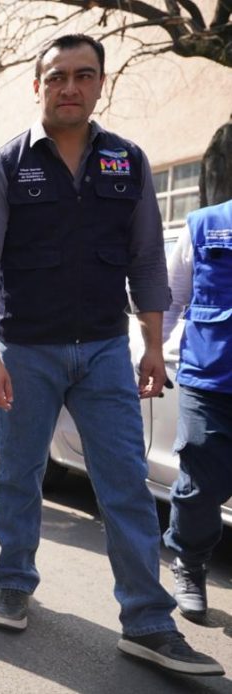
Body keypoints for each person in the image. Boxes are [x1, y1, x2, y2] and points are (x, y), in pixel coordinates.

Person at [0, 33, 222, 676]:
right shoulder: (4, 167)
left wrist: (154, 348)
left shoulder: (126, 162)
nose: (69, 87)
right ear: (38, 85)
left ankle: (148, 622)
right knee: (19, 476)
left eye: (83, 75)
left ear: (100, 83)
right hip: (26, 350)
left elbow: (147, 262)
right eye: (57, 77)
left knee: (127, 486)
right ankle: (15, 581)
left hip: (106, 350)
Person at [160, 193, 232, 622]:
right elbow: (171, 298)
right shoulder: (205, 224)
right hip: (210, 379)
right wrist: (154, 350)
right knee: (200, 486)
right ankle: (188, 563)